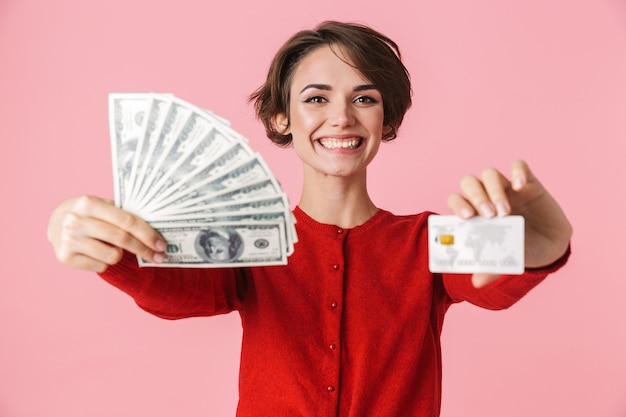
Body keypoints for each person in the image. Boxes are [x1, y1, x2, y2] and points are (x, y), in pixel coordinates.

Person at [47, 21, 572, 417]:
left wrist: (541, 245)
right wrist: (108, 249)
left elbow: (495, 273)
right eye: (316, 97)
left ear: (385, 118)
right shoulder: (249, 242)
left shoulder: (429, 240)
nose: (341, 116)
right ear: (282, 118)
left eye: (363, 98)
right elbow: (176, 288)